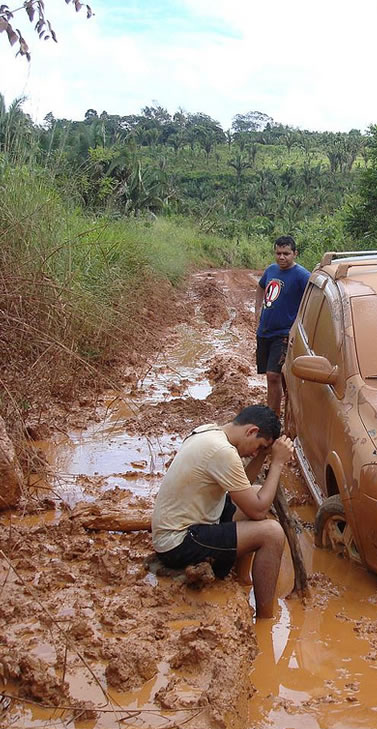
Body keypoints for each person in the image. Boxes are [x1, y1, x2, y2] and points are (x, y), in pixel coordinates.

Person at [151, 405, 294, 620]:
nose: (255, 452)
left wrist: (262, 456)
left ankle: (243, 579)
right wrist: (277, 463)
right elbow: (258, 510)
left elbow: (244, 486)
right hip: (178, 543)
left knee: (255, 491)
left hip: (180, 530)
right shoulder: (223, 452)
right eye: (259, 446)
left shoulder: (209, 432)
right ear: (251, 431)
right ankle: (266, 619)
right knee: (272, 533)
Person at [256, 235, 310, 417]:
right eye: (278, 253)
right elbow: (261, 287)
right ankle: (282, 412)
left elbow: (310, 302)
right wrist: (258, 313)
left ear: (295, 253)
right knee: (274, 376)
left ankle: (273, 418)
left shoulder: (302, 276)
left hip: (285, 333)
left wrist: (298, 327)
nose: (281, 257)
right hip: (265, 331)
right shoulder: (271, 270)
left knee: (274, 375)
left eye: (286, 253)